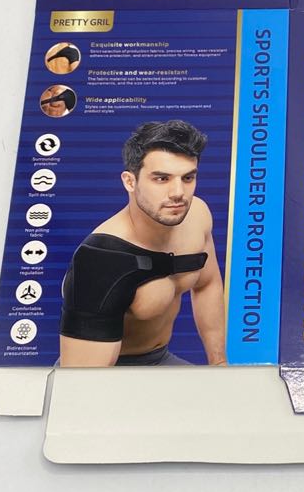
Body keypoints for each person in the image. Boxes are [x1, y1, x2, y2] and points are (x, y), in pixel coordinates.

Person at [59, 119, 226, 367]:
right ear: (130, 181)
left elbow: (207, 284)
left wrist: (219, 365)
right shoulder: (100, 260)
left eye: (188, 178)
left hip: (160, 360)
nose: (178, 193)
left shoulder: (197, 214)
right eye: (162, 179)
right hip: (107, 371)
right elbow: (81, 381)